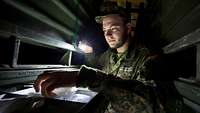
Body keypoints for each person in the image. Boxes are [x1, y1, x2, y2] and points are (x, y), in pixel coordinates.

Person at [34, 1, 166, 113]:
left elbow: (154, 104)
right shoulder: (108, 55)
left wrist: (87, 77)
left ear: (128, 28)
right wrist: (89, 53)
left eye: (114, 28)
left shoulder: (145, 56)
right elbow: (96, 67)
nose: (108, 35)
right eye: (104, 30)